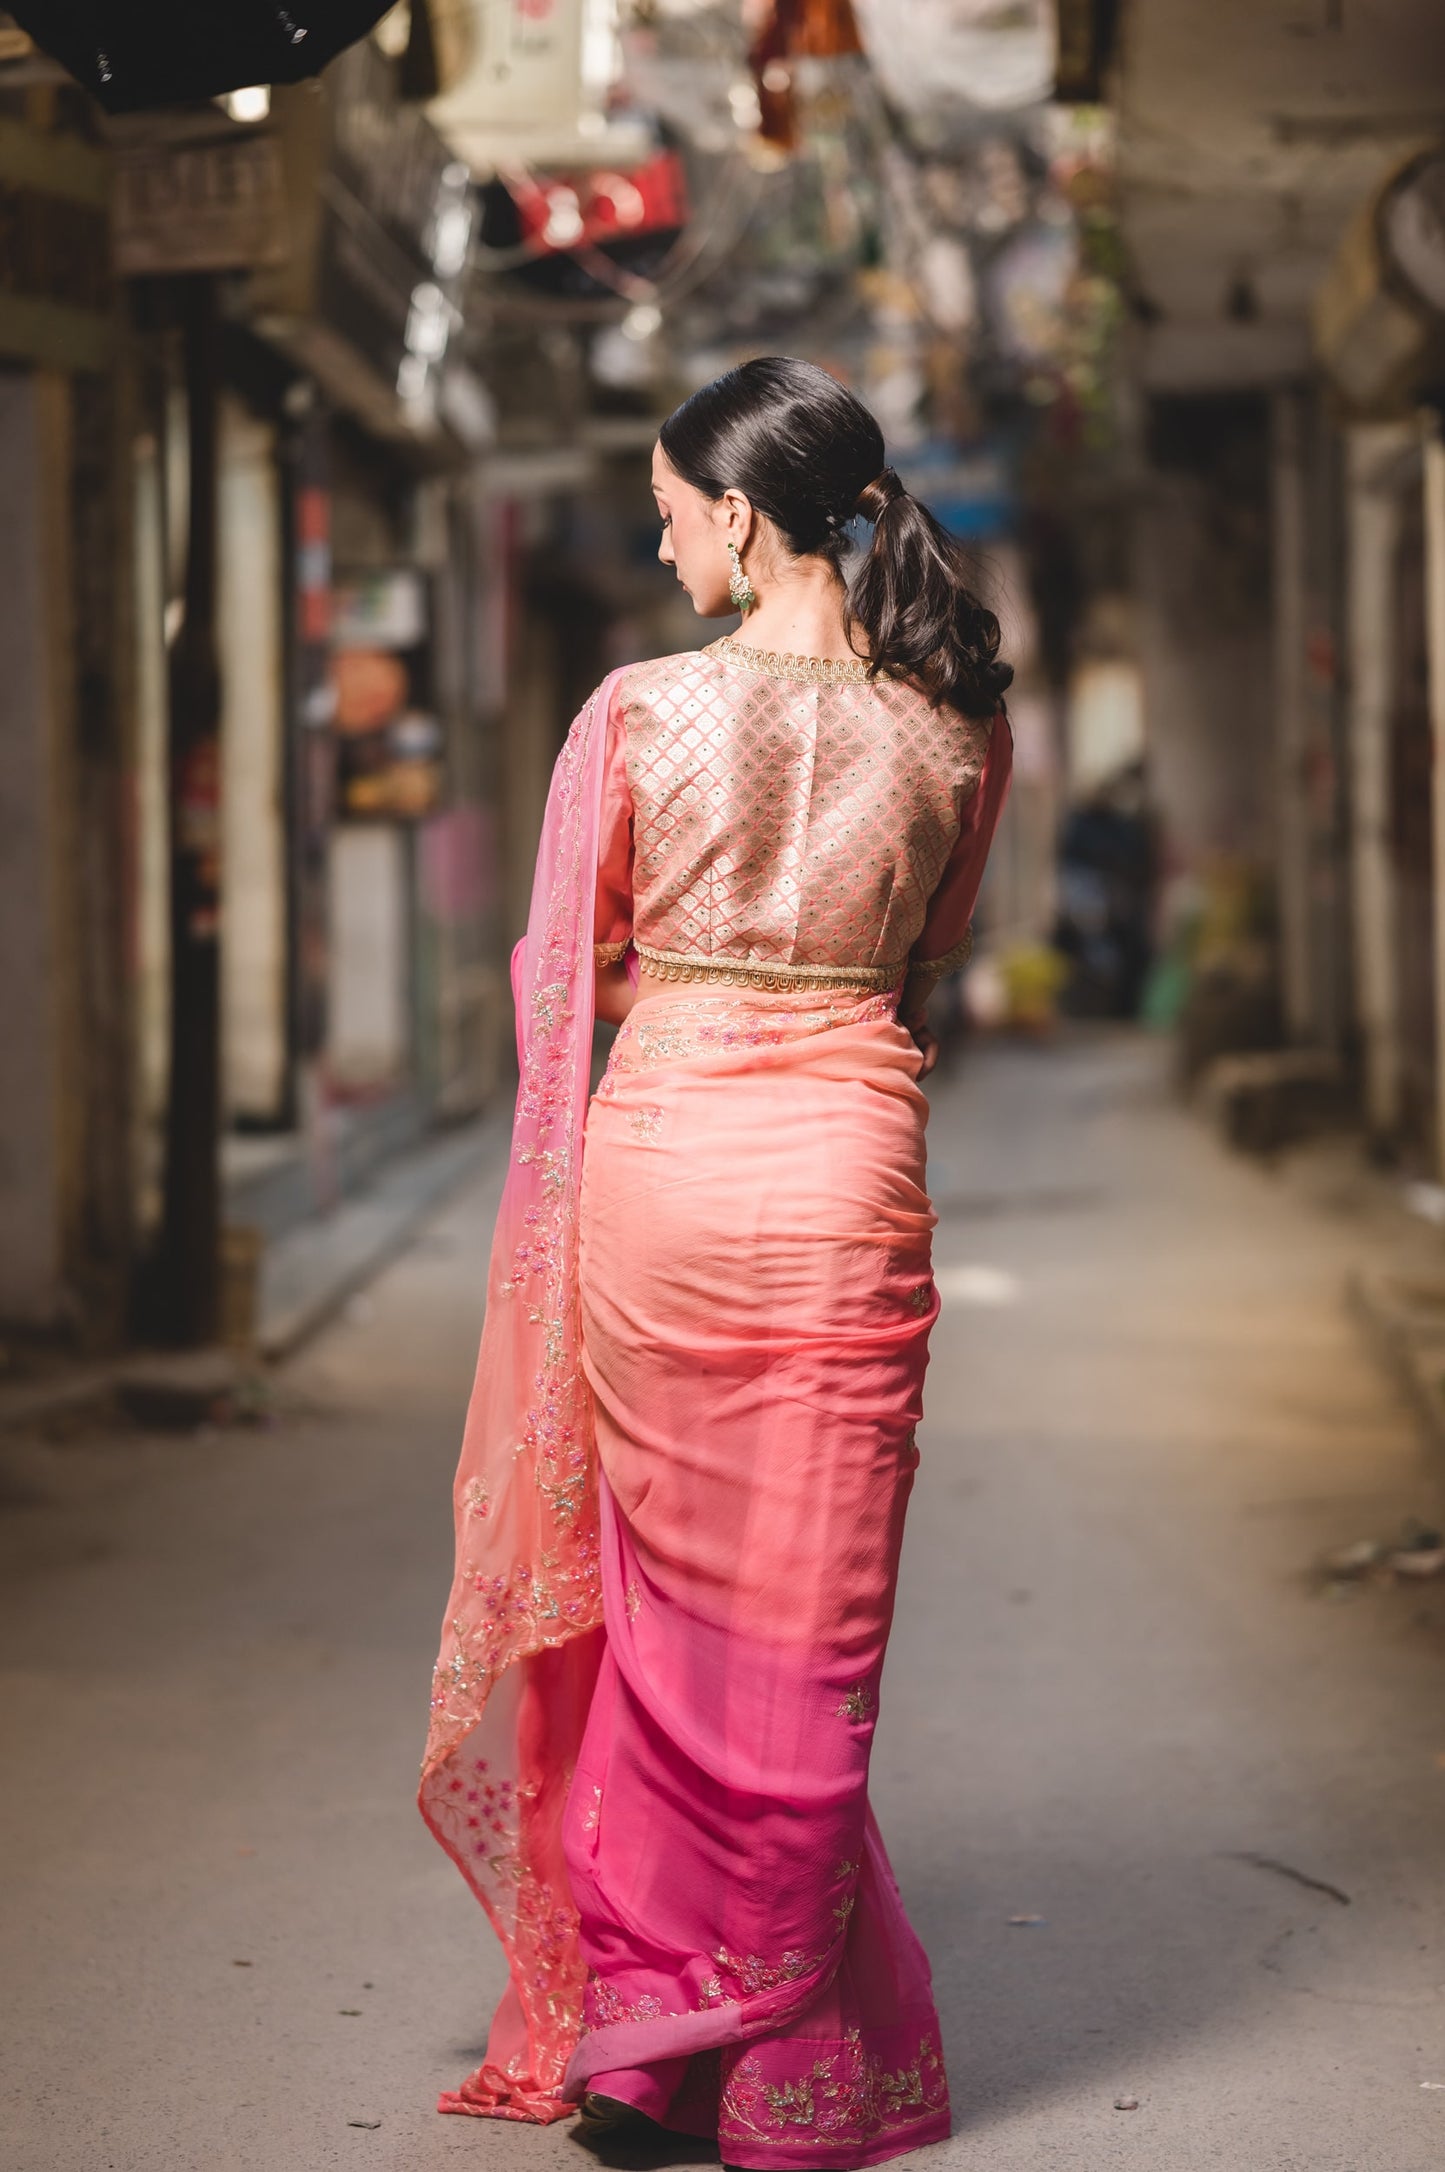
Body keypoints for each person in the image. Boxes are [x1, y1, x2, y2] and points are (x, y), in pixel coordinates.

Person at [419, 355, 1013, 2170]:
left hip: (664, 1171)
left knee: (666, 1613)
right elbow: (931, 956)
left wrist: (672, 980)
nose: (664, 537)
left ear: (742, 514)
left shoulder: (638, 713)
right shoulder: (956, 728)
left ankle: (643, 2041)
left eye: (674, 510)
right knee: (807, 1631)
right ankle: (762, 2048)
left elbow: (563, 970)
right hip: (846, 1166)